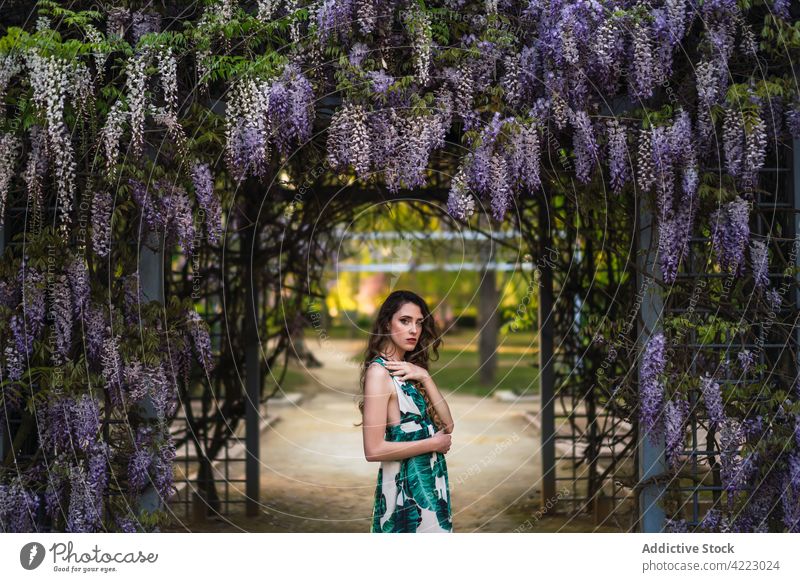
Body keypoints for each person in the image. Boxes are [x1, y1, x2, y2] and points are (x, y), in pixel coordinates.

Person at [355, 290, 455, 532]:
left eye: (419, 323)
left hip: (431, 488)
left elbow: (448, 425)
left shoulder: (411, 370)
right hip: (405, 496)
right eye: (405, 321)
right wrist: (432, 444)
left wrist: (425, 376)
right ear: (386, 323)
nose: (414, 330)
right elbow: (373, 449)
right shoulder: (380, 373)